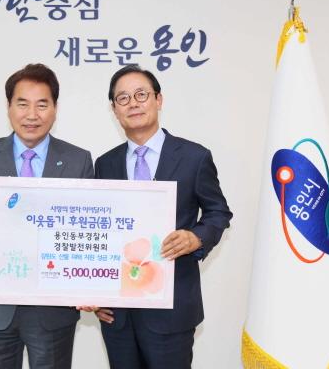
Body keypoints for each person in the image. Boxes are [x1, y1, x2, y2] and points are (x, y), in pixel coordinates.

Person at [0, 63, 93, 369]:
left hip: (53, 310)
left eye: (42, 105)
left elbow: (89, 231)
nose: (32, 115)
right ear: (9, 106)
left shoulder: (78, 160)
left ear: (55, 108)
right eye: (22, 104)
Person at [89, 64, 232, 369]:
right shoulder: (105, 164)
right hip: (117, 313)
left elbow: (218, 212)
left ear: (158, 99)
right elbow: (99, 232)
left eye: (141, 94)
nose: (133, 103)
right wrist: (95, 292)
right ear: (114, 109)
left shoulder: (194, 157)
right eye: (123, 98)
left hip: (172, 308)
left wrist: (196, 238)